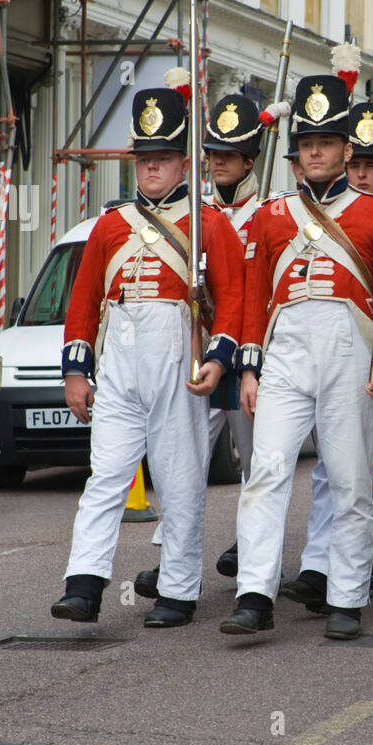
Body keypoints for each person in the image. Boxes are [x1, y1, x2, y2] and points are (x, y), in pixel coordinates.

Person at [50, 76, 245, 629]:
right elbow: (84, 304)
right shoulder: (111, 226)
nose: (151, 169)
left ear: (184, 163)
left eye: (162, 159)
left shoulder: (210, 226)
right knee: (105, 474)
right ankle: (83, 585)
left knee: (180, 477)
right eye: (143, 160)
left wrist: (218, 358)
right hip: (121, 361)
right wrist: (75, 373)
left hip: (178, 358)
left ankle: (179, 590)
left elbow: (231, 300)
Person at [219, 71, 373, 641]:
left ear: (348, 148)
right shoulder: (273, 215)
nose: (316, 152)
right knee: (265, 474)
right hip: (285, 353)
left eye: (326, 142)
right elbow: (254, 295)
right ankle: (255, 593)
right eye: (307, 144)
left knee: (350, 479)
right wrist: (249, 366)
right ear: (296, 152)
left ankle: (347, 596)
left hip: (350, 349)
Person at [141, 91, 267, 593]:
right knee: (180, 459)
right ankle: (173, 556)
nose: (217, 163)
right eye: (212, 154)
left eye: (228, 156)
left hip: (249, 354)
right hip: (202, 350)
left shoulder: (270, 213)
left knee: (257, 463)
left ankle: (255, 557)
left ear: (249, 161)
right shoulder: (188, 214)